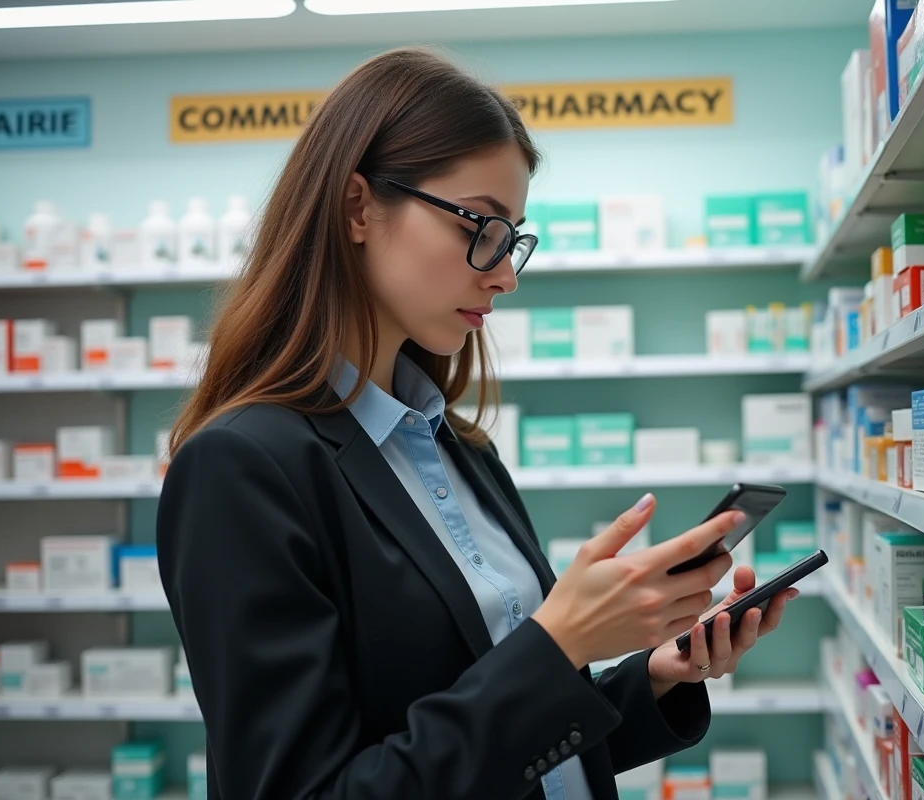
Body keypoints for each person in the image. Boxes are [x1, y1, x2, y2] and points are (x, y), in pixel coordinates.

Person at [157, 47, 799, 800]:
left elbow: (522, 750)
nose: (504, 275)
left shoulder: (459, 448)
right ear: (358, 208)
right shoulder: (241, 468)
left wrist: (656, 677)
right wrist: (560, 641)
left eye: (512, 238)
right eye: (482, 226)